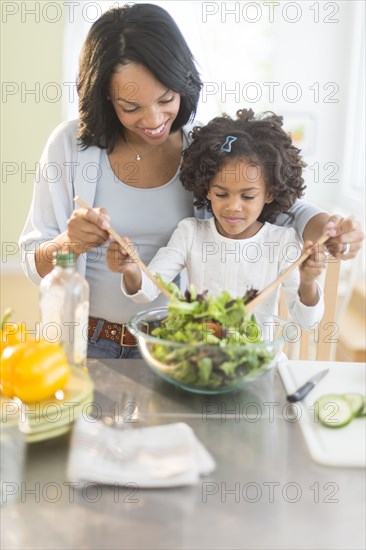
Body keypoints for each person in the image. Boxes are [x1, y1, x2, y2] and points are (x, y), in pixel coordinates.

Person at [19, 4, 364, 359]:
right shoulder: (69, 146)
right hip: (88, 344)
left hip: (182, 346)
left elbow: (280, 207)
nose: (154, 119)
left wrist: (332, 230)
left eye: (166, 98)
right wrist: (69, 243)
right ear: (105, 96)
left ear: (183, 82)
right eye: (131, 107)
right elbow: (34, 262)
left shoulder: (205, 147)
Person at [107, 108, 326, 328]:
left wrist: (307, 282)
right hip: (202, 355)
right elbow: (147, 290)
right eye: (221, 194)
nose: (233, 206)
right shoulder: (190, 233)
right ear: (206, 189)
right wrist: (132, 269)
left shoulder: (282, 242)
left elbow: (306, 321)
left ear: (269, 193)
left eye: (248, 196)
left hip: (257, 360)